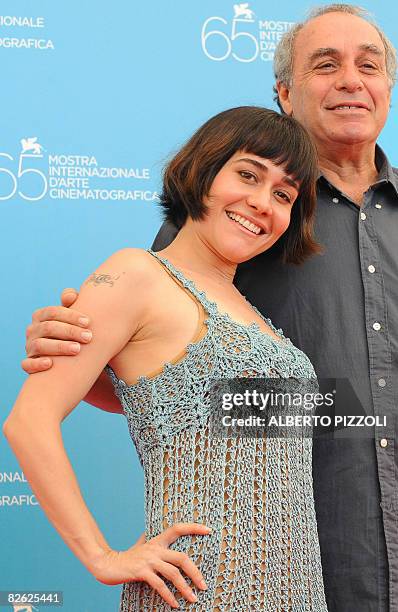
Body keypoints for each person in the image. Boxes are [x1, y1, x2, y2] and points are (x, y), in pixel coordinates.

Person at [18, 4, 398, 612]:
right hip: (287, 563)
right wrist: (77, 347)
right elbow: (161, 381)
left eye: (369, 65)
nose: (351, 80)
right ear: (284, 92)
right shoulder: (199, 244)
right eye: (325, 65)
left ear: (388, 86)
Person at [4, 106, 329, 611]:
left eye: (284, 195)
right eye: (248, 174)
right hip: (199, 593)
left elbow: (173, 405)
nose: (262, 202)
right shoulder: (136, 273)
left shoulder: (253, 313)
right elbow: (29, 421)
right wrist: (102, 556)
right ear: (202, 171)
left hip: (296, 593)